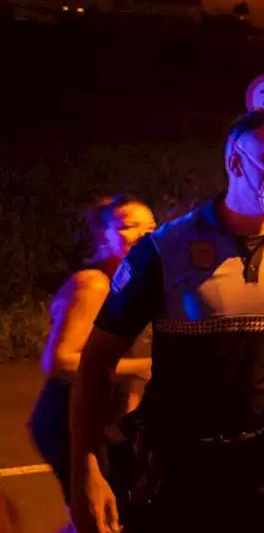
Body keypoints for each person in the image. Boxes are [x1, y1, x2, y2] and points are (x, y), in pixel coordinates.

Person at [70, 110, 264, 533]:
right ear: (235, 162)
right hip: (180, 474)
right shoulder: (164, 251)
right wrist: (86, 469)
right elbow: (96, 360)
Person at [29, 196, 155, 516]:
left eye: (151, 227)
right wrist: (146, 367)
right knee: (101, 514)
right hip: (68, 420)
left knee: (116, 511)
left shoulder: (127, 284)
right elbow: (59, 361)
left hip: (102, 418)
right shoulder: (93, 284)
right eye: (128, 226)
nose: (142, 234)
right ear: (102, 236)